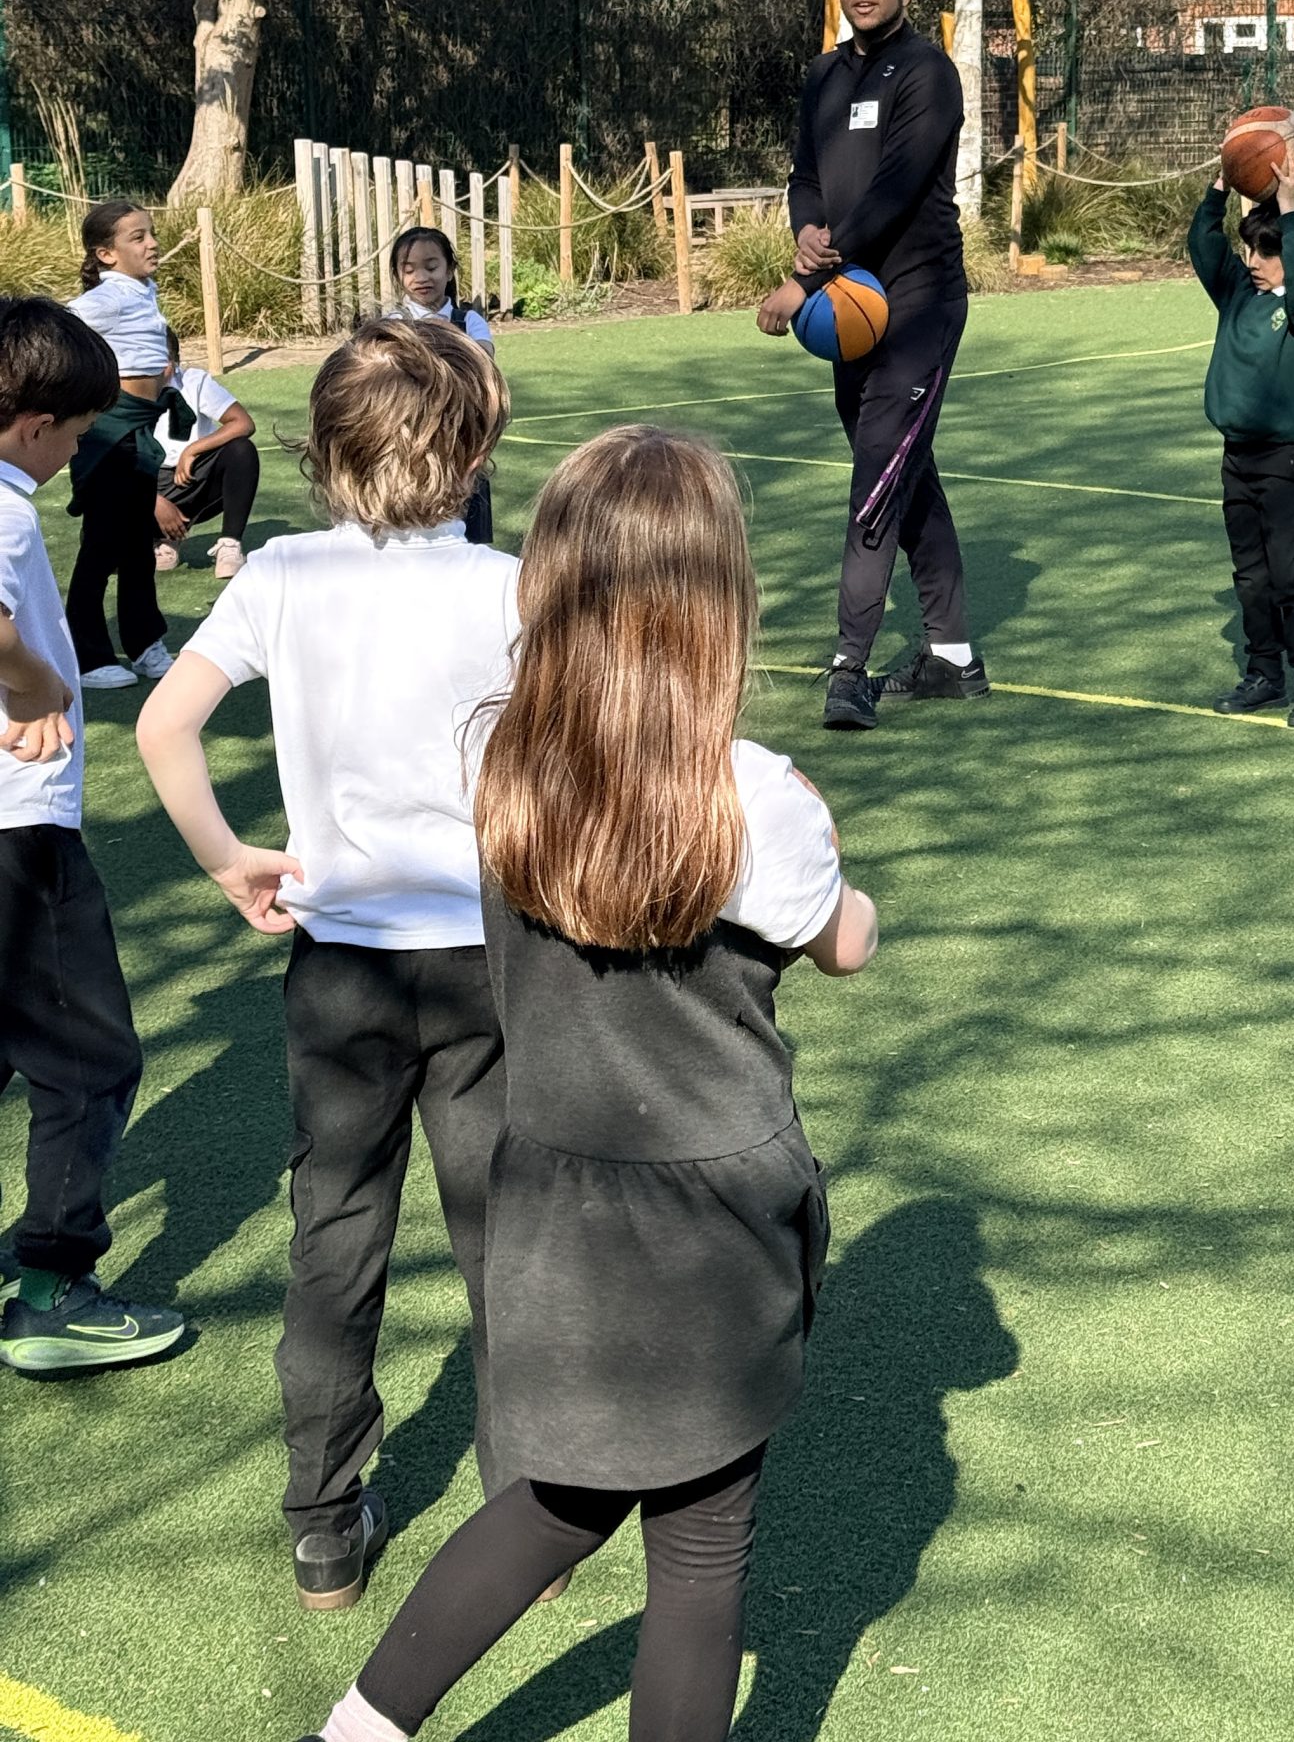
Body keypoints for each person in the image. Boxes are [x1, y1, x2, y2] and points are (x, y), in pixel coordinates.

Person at [300, 425, 877, 1742]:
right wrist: (840, 864)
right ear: (721, 599)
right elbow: (843, 943)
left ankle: (359, 1728)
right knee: (701, 1556)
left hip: (552, 1207)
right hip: (713, 1228)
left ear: (548, 583)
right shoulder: (758, 798)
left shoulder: (500, 760)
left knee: (555, 1500)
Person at [137, 319, 515, 1609]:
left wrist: (224, 858)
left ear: (321, 450)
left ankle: (324, 1523)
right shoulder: (511, 585)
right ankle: (528, 1510)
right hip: (487, 962)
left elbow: (164, 724)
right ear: (472, 452)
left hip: (341, 966)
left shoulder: (283, 574)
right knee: (503, 1236)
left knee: (335, 1234)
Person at [0, 298, 186, 1373]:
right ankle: (53, 1289)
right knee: (89, 1057)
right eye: (74, 434)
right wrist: (31, 681)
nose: (76, 454)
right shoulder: (7, 509)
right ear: (34, 426)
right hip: (20, 832)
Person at [756, 0, 985, 732]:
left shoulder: (927, 72)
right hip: (851, 305)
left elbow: (895, 188)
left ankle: (848, 669)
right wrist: (807, 231)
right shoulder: (823, 75)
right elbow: (805, 175)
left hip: (918, 305)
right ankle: (953, 657)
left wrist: (800, 280)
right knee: (901, 469)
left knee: (878, 477)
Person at [1189, 139, 1294, 727]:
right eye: (1249, 248)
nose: (1253, 261)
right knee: (1250, 578)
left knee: (1288, 577)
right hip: (1237, 460)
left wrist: (1292, 207)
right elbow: (1204, 244)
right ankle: (1263, 674)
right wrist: (1221, 188)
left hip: (1286, 463)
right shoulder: (1236, 295)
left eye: (1266, 252)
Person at [66, 197, 189, 688]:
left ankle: (143, 645)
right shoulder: (110, 297)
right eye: (137, 237)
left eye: (151, 233)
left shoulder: (142, 290)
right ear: (106, 254)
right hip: (110, 432)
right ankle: (87, 656)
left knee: (138, 542)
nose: (152, 243)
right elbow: (59, 327)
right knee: (102, 543)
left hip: (138, 429)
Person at [387, 226, 498, 546]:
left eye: (431, 266)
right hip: (410, 433)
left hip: (462, 433)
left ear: (449, 270)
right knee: (414, 516)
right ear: (398, 276)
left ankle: (474, 551)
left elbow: (484, 360)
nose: (421, 277)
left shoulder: (469, 320)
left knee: (469, 512)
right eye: (409, 269)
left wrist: (445, 334)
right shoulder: (394, 322)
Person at [154, 325, 258, 577]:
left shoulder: (194, 382)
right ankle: (162, 539)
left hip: (191, 478)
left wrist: (192, 450)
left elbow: (243, 423)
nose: (155, 369)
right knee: (101, 543)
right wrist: (152, 501)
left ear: (174, 362)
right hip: (144, 488)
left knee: (241, 450)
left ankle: (230, 545)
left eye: (163, 360)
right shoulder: (121, 391)